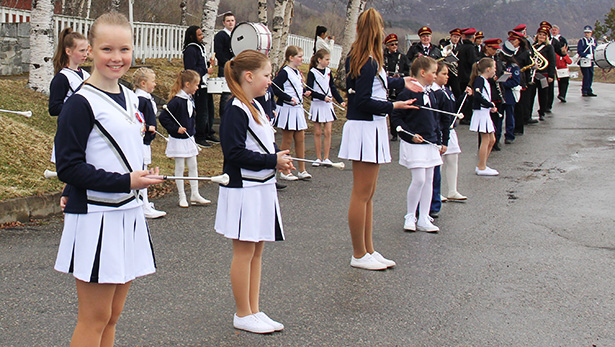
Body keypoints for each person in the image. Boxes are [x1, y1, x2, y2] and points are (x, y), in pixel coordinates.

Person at [53, 12, 164, 346]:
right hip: (96, 217)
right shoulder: (80, 103)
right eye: (107, 49)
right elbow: (68, 166)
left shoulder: (132, 98)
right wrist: (126, 181)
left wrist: (140, 177)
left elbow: (115, 152)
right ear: (90, 51)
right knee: (94, 318)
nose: (117, 58)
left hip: (127, 213)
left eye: (124, 49)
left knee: (112, 316)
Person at [215, 49, 294, 334]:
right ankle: (242, 312)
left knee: (257, 250)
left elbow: (261, 145)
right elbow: (233, 153)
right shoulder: (235, 108)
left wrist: (277, 159)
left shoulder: (256, 105)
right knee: (244, 252)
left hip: (261, 186)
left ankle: (254, 309)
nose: (269, 81)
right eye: (267, 76)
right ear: (249, 76)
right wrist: (271, 160)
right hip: (243, 189)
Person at [338, 8, 419, 270]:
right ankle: (358, 253)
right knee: (361, 193)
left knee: (369, 194)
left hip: (370, 127)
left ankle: (369, 249)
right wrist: (394, 107)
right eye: (381, 28)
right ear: (376, 30)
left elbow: (377, 88)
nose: (384, 33)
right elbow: (361, 101)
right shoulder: (367, 60)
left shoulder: (367, 58)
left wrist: (401, 81)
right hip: (364, 128)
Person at [391, 56, 445, 232]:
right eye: (433, 72)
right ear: (423, 73)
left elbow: (436, 119)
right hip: (414, 143)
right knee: (419, 179)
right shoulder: (407, 93)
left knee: (429, 180)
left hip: (430, 143)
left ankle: (423, 217)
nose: (435, 76)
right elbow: (396, 117)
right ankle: (410, 215)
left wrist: (440, 140)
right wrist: (410, 135)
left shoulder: (430, 93)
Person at [159, 70, 212, 208]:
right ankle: (182, 196)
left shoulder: (189, 98)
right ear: (187, 84)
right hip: (178, 140)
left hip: (189, 139)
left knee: (193, 165)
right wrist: (175, 128)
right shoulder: (176, 101)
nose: (197, 87)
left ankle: (195, 193)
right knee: (180, 167)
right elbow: (164, 117)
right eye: (196, 85)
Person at [272, 45, 312, 181]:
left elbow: (297, 88)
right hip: (287, 109)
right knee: (287, 140)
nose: (301, 59)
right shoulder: (284, 72)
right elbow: (275, 88)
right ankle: (285, 170)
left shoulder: (297, 72)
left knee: (300, 139)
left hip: (298, 109)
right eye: (299, 56)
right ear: (291, 58)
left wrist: (304, 93)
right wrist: (288, 98)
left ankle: (302, 169)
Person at [133, 68, 166, 219]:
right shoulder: (140, 100)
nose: (155, 84)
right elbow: (136, 119)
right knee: (142, 170)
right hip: (141, 142)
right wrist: (146, 126)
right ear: (143, 83)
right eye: (153, 81)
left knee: (144, 168)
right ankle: (143, 204)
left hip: (146, 141)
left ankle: (144, 201)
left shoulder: (146, 98)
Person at [432, 62, 467, 201]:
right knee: (438, 163)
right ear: (435, 75)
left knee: (453, 159)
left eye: (447, 74)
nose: (447, 77)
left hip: (450, 129)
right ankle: (436, 192)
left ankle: (452, 190)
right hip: (440, 130)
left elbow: (454, 108)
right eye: (444, 74)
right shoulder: (434, 92)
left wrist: (465, 96)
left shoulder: (447, 90)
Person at [307, 49, 345, 166]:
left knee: (328, 131)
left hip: (327, 105)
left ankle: (326, 157)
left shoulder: (328, 72)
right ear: (319, 60)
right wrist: (323, 97)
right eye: (327, 59)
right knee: (318, 132)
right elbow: (310, 90)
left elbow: (332, 87)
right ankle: (318, 158)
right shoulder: (312, 72)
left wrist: (340, 100)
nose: (329, 61)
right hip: (318, 104)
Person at [183, 25, 218, 147]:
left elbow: (200, 63)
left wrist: (208, 63)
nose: (202, 37)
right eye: (199, 35)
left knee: (209, 109)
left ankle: (208, 132)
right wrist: (205, 70)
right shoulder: (190, 49)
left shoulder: (199, 47)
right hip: (197, 85)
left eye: (201, 34)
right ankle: (200, 135)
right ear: (192, 36)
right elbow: (191, 69)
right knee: (202, 111)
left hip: (205, 83)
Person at [49, 27, 90, 117]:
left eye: (86, 50)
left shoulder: (86, 75)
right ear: (68, 51)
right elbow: (54, 109)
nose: (85, 54)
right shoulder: (62, 78)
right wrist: (78, 107)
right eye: (82, 50)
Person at [469, 58, 499, 176]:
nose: (495, 70)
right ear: (488, 69)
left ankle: (483, 164)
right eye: (494, 68)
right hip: (481, 112)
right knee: (486, 140)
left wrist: (490, 106)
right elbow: (478, 95)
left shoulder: (485, 80)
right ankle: (481, 167)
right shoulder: (479, 80)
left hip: (485, 112)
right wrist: (490, 104)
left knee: (492, 140)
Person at [383, 33, 411, 141]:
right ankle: (393, 133)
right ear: (387, 46)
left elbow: (407, 70)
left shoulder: (402, 57)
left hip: (399, 88)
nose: (394, 46)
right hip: (388, 87)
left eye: (396, 44)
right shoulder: (383, 57)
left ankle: (403, 130)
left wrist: (401, 75)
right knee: (391, 110)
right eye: (392, 45)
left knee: (401, 109)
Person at [530, 25, 556, 121]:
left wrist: (551, 75)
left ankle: (542, 112)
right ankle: (528, 114)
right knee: (531, 95)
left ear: (546, 37)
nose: (541, 36)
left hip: (544, 74)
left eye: (544, 35)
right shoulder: (533, 47)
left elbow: (552, 62)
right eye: (540, 34)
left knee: (543, 94)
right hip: (534, 74)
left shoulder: (549, 47)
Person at [214, 12, 236, 117]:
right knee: (226, 93)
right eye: (228, 21)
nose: (230, 23)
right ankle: (224, 118)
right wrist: (228, 63)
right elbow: (218, 53)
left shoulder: (236, 35)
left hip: (236, 68)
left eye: (232, 20)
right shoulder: (220, 36)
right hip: (225, 67)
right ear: (224, 23)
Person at [499, 41, 521, 145]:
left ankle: (509, 135)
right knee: (499, 117)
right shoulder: (498, 64)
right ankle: (497, 136)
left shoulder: (513, 67)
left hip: (509, 94)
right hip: (499, 95)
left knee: (510, 117)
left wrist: (503, 84)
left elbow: (515, 81)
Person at [577, 25, 597, 97]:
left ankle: (589, 90)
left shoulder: (593, 40)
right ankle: (584, 90)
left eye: (588, 32)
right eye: (586, 32)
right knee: (586, 76)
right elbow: (580, 51)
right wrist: (586, 55)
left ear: (591, 33)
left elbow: (596, 49)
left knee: (590, 75)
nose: (587, 34)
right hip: (584, 61)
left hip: (591, 61)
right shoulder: (582, 41)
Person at [444, 28, 463, 98]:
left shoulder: (460, 47)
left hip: (455, 73)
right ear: (451, 36)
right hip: (447, 71)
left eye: (457, 37)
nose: (456, 39)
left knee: (457, 91)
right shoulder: (444, 44)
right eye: (454, 37)